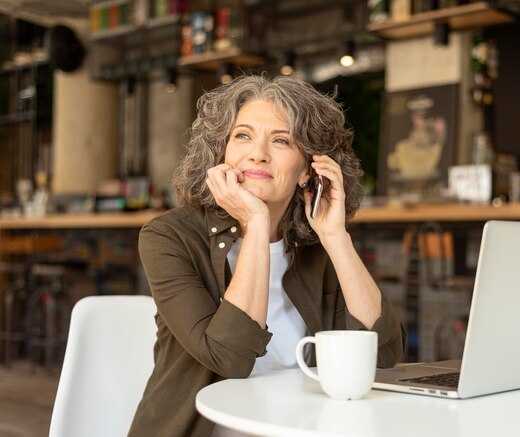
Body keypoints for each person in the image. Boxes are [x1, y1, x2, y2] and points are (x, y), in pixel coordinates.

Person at [128, 74, 406, 437]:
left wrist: (336, 237)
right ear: (222, 153)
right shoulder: (169, 236)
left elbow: (383, 355)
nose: (257, 152)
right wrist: (256, 223)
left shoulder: (317, 246)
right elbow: (230, 357)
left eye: (281, 140)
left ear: (309, 169)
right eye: (242, 136)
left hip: (300, 426)